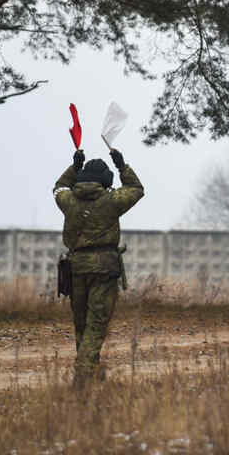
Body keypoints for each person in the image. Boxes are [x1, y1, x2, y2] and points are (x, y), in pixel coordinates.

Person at [53, 147, 144, 388]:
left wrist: (74, 167)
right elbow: (136, 190)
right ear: (105, 182)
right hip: (104, 268)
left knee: (81, 324)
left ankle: (90, 372)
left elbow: (58, 188)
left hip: (76, 268)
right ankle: (83, 378)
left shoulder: (68, 200)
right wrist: (122, 166)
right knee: (96, 324)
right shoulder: (111, 200)